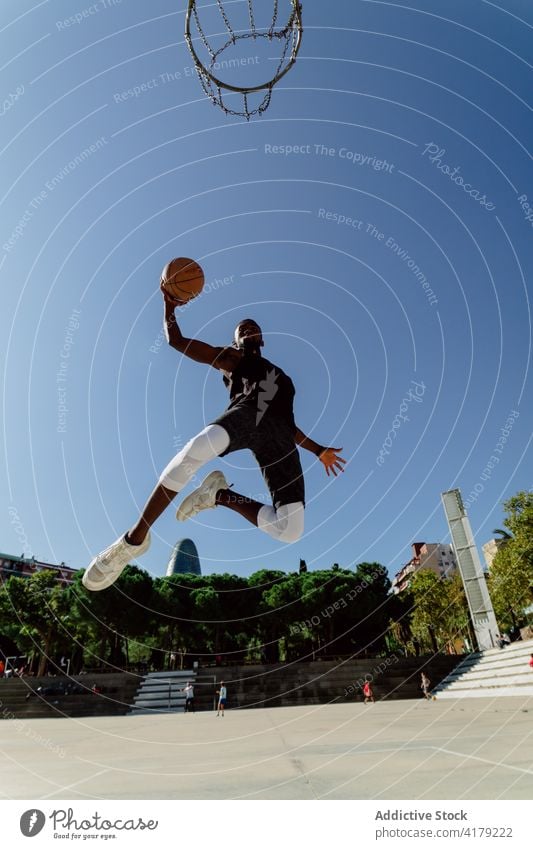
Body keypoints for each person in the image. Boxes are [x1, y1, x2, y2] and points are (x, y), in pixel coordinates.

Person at [82, 282, 346, 591]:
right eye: (241, 329)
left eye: (253, 327)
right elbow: (176, 341)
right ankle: (133, 540)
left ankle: (217, 495)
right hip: (245, 416)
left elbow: (288, 424)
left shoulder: (282, 377)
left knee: (290, 530)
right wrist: (170, 308)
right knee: (194, 451)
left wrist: (318, 450)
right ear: (235, 342)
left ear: (262, 338)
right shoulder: (233, 360)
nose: (248, 328)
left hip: (281, 439)